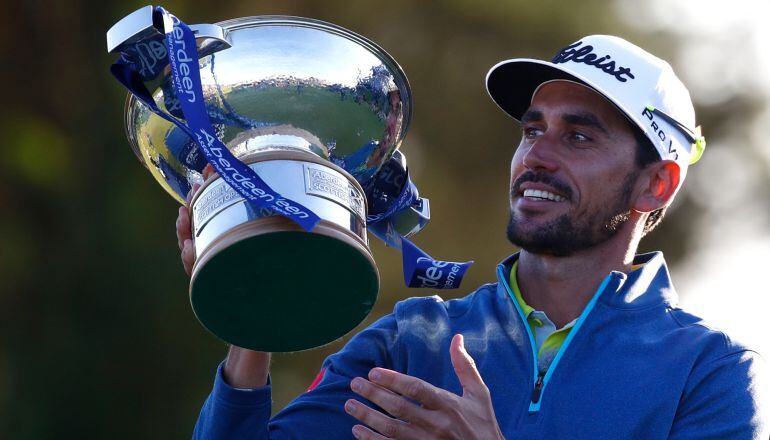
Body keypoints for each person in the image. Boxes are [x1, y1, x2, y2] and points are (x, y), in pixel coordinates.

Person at [177, 35, 768, 439]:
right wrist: (253, 301)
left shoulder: (710, 373)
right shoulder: (413, 340)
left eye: (579, 137)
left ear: (656, 184)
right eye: (532, 131)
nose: (536, 155)